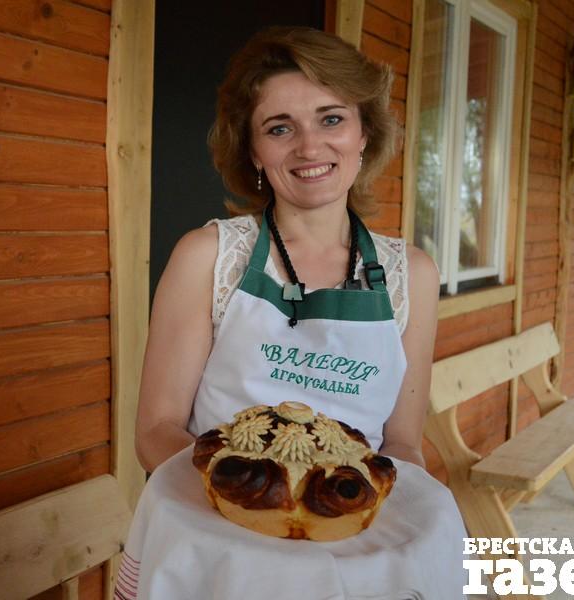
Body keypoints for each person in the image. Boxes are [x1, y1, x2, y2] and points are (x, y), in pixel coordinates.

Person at [118, 27, 467, 600]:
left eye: (332, 119)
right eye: (280, 128)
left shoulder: (413, 274)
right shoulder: (209, 257)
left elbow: (402, 445)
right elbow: (156, 432)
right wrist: (255, 509)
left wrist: (368, 524)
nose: (309, 147)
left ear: (364, 133)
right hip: (221, 547)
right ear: (254, 150)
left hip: (352, 552)